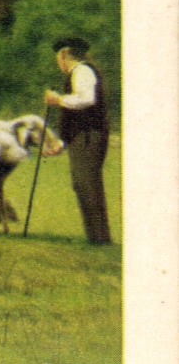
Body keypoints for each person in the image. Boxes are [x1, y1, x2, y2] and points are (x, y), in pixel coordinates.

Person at [43, 36, 112, 245]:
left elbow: (87, 100)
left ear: (64, 54)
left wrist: (58, 99)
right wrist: (62, 143)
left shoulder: (82, 71)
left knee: (86, 183)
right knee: (83, 184)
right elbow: (74, 117)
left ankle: (99, 238)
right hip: (82, 136)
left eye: (58, 56)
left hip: (89, 136)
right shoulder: (77, 73)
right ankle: (96, 237)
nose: (58, 62)